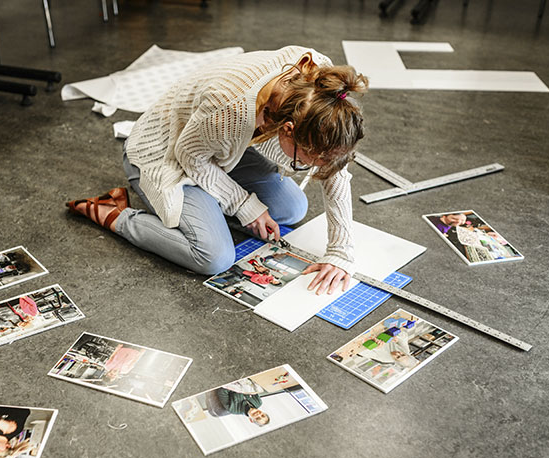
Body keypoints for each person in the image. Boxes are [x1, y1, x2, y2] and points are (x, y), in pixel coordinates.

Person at [68, 45, 368, 296]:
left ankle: (209, 205)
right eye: (308, 160)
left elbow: (334, 169)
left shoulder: (323, 89)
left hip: (224, 150)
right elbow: (189, 156)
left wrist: (341, 251)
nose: (313, 168)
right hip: (166, 154)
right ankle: (115, 214)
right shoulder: (230, 105)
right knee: (214, 257)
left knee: (292, 208)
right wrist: (243, 204)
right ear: (288, 131)